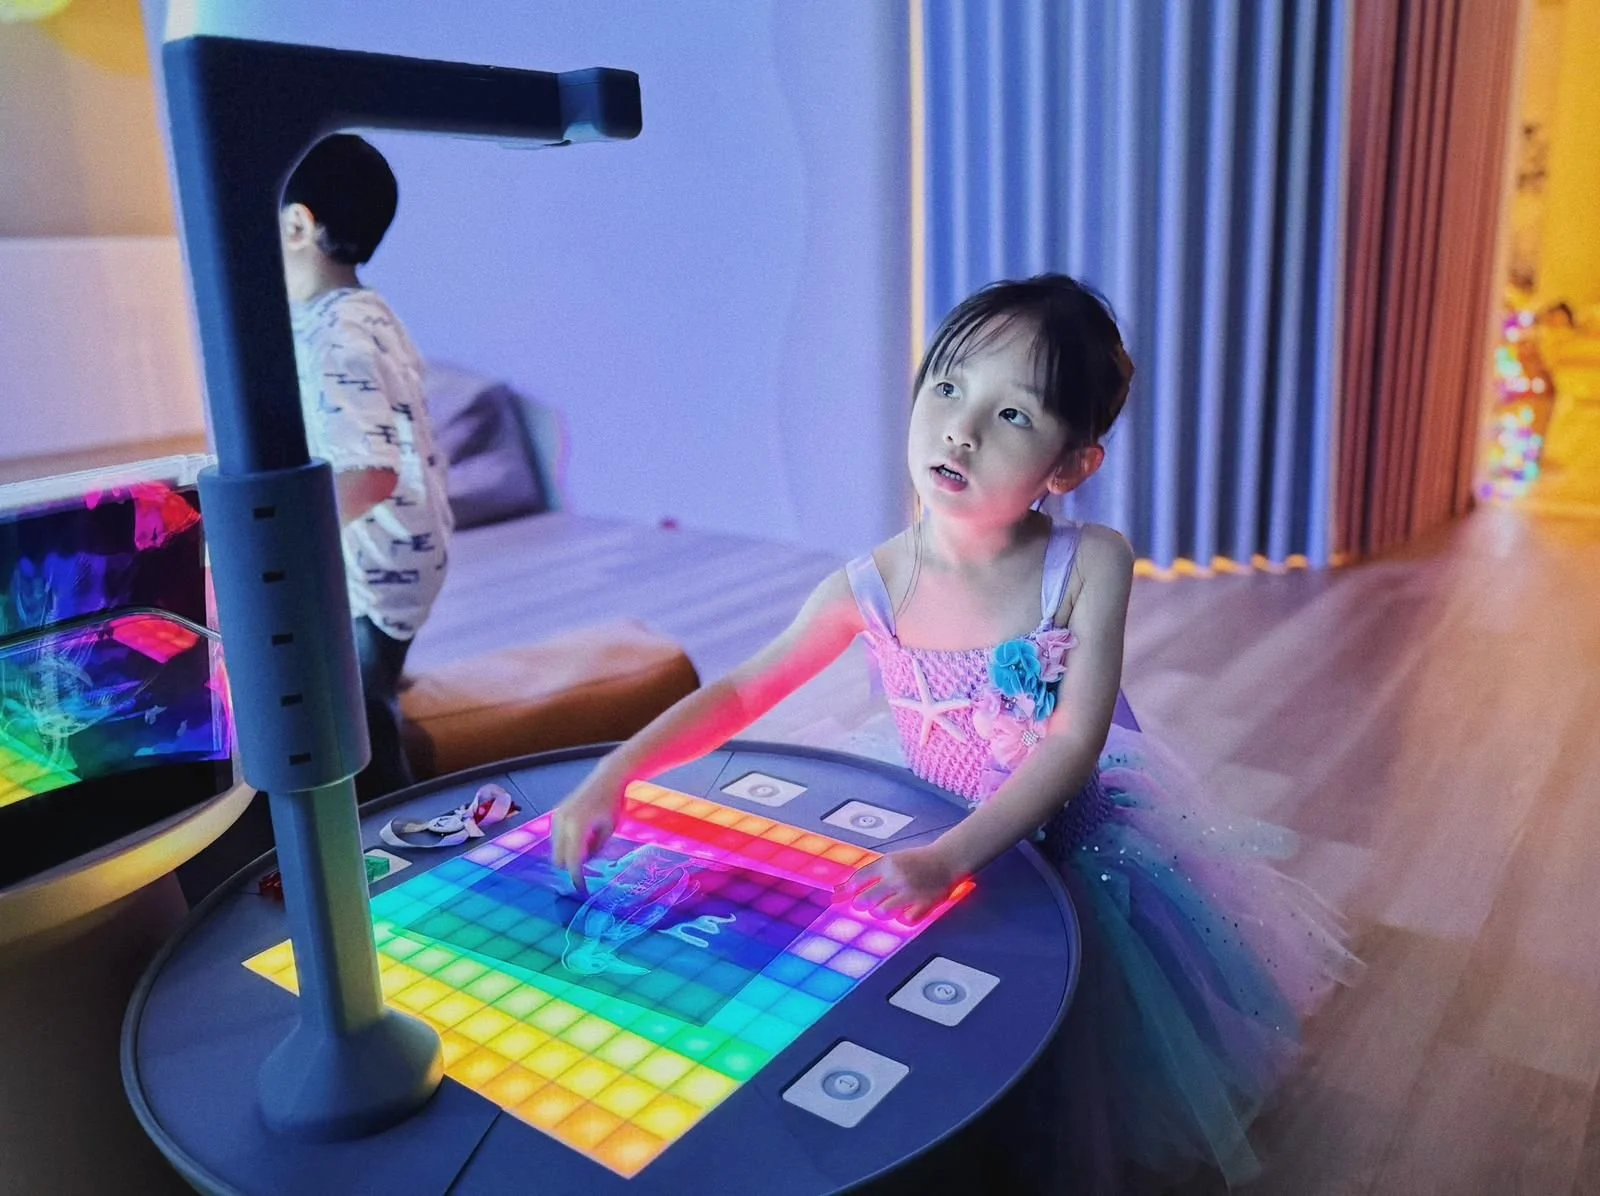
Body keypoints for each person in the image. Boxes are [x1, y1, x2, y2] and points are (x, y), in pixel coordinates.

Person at [551, 273, 1358, 1191]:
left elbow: (1070, 745)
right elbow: (742, 689)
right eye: (947, 386)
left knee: (1060, 1057)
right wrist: (616, 772)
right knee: (907, 1025)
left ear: (1071, 465)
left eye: (1013, 414)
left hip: (1066, 852)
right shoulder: (872, 585)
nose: (961, 429)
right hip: (926, 825)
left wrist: (954, 857)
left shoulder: (1089, 563)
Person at [281, 133, 453, 801]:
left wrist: (287, 538)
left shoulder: (340, 336)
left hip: (380, 573)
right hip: (403, 557)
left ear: (298, 225)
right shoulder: (363, 311)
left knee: (358, 725)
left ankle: (394, 829)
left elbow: (370, 474)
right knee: (360, 683)